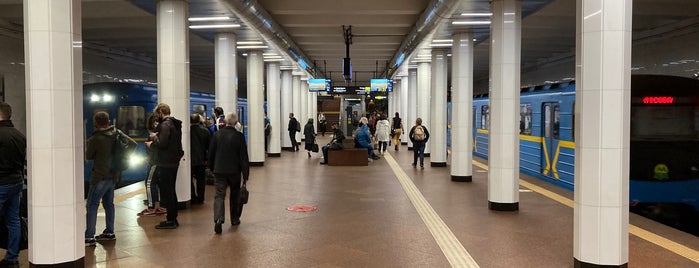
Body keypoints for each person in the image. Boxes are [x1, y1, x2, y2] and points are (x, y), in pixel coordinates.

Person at [85, 111, 136, 246]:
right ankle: (109, 232)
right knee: (109, 204)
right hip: (113, 175)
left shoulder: (96, 138)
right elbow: (133, 144)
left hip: (99, 176)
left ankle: (89, 236)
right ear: (108, 121)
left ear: (96, 123)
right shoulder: (116, 132)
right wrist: (122, 156)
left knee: (92, 205)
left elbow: (89, 156)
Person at [208, 112, 250, 234]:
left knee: (219, 195)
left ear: (225, 122)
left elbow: (211, 154)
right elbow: (243, 157)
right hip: (234, 171)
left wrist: (211, 168)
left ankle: (218, 220)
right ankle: (234, 219)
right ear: (236, 123)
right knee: (235, 194)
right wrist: (245, 175)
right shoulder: (239, 137)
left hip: (219, 170)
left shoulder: (217, 135)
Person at [146, 103, 184, 229]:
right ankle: (173, 218)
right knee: (171, 190)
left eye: (157, 114)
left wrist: (153, 140)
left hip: (166, 162)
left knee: (167, 191)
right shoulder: (175, 124)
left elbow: (163, 144)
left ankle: (170, 220)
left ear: (161, 112)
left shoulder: (165, 125)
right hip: (174, 162)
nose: (157, 116)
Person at [0, 102, 25, 265]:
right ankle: (12, 258)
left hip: (1, 183)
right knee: (13, 220)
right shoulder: (19, 135)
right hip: (16, 183)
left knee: (12, 220)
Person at [138, 115, 165, 216]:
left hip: (154, 162)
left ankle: (151, 207)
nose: (155, 123)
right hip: (160, 162)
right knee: (161, 184)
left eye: (156, 122)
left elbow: (155, 149)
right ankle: (161, 206)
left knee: (149, 183)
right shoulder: (163, 133)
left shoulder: (155, 135)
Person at [190, 114, 210, 204]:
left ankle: (192, 197)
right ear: (199, 120)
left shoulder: (187, 131)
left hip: (190, 160)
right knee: (201, 180)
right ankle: (201, 198)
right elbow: (209, 146)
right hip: (201, 160)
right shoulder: (205, 131)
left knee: (189, 180)